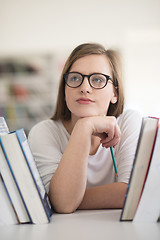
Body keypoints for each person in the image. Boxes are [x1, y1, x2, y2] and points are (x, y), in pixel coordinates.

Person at [28, 43, 142, 214]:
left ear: (115, 94)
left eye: (97, 79)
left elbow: (131, 193)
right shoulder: (44, 133)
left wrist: (63, 198)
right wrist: (84, 126)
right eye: (75, 78)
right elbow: (64, 205)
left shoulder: (128, 122)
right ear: (64, 89)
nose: (84, 88)